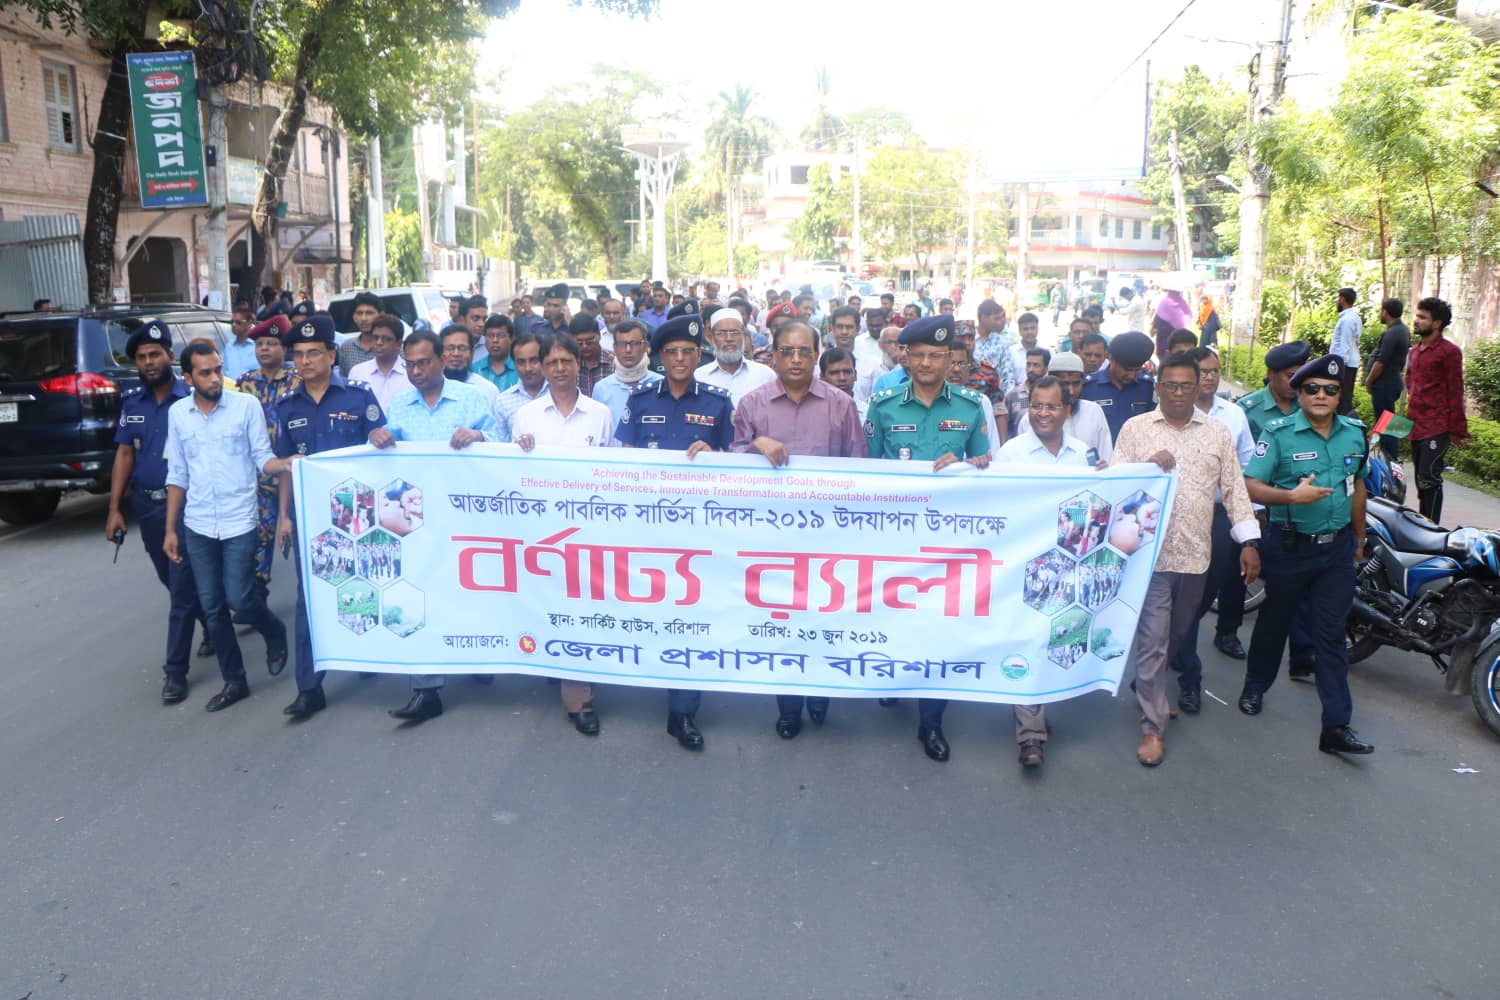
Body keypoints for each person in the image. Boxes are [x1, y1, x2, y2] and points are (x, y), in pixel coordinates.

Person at [1112, 352, 1260, 766]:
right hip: (1150, 558)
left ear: (1199, 389)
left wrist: (1249, 541)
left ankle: (1148, 688)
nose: (1177, 393)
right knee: (1154, 639)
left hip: (1196, 557)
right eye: (1170, 385)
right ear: (1158, 387)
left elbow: (1235, 490)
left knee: (1177, 636)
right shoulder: (1136, 429)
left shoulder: (1217, 432)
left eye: (1186, 386)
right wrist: (1147, 465)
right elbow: (1114, 485)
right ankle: (1153, 726)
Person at [865, 314, 991, 762]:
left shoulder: (971, 406)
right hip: (895, 537)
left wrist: (971, 464)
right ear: (904, 356)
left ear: (950, 358)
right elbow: (867, 471)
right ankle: (894, 677)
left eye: (935, 356)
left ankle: (931, 722)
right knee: (896, 617)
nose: (925, 364)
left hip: (948, 541)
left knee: (939, 627)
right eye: (916, 355)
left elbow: (986, 468)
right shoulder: (882, 405)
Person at [732, 319, 865, 739]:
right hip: (771, 541)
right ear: (772, 355)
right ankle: (788, 706)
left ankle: (821, 691)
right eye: (786, 351)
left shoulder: (840, 405)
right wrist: (755, 445)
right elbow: (730, 467)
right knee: (783, 625)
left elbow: (859, 469)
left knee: (824, 620)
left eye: (803, 352)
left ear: (815, 355)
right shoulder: (752, 405)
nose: (794, 359)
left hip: (827, 539)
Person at [610, 316, 735, 747]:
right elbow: (624, 459)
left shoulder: (719, 403)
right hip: (648, 530)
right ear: (659, 357)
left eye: (688, 352)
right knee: (651, 613)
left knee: (690, 617)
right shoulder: (641, 398)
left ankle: (682, 710)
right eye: (672, 352)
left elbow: (736, 461)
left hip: (699, 533)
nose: (680, 359)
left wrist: (714, 453)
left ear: (699, 356)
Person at [1240, 354, 1373, 757]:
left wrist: (1360, 536)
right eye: (1312, 388)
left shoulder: (1355, 434)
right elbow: (1250, 485)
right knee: (1275, 621)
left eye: (1330, 390)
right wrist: (1290, 497)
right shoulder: (1279, 434)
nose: (1321, 395)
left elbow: (1358, 487)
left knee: (1330, 635)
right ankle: (1255, 686)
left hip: (1337, 550)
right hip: (1290, 547)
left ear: (1339, 396)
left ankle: (1336, 725)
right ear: (1299, 393)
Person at [370, 330, 499, 722]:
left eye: (424, 362)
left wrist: (478, 435)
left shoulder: (471, 398)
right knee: (418, 594)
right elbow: (388, 447)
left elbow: (503, 445)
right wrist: (379, 436)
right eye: (410, 364)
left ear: (442, 360)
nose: (416, 371)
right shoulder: (400, 404)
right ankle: (426, 690)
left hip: (465, 516)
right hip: (416, 518)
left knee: (466, 590)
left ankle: (477, 654)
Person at [163, 341, 292, 712]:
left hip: (239, 520)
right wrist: (170, 529)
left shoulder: (245, 406)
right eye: (205, 372)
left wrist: (284, 464)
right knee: (213, 607)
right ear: (188, 377)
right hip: (198, 524)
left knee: (240, 599)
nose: (215, 378)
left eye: (218, 369)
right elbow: (178, 474)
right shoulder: (178, 414)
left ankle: (273, 629)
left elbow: (262, 457)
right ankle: (235, 681)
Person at [272, 315, 387, 719]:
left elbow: (383, 448)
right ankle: (309, 687)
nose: (304, 361)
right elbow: (286, 467)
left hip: (358, 516)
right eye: (298, 355)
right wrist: (284, 517)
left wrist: (380, 437)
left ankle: (366, 653)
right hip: (311, 519)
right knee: (310, 597)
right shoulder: (287, 407)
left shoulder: (358, 397)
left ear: (331, 356)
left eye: (313, 353)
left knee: (363, 585)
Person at [514, 331, 619, 737]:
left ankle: (581, 699)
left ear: (579, 365)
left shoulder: (599, 414)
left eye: (566, 361)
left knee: (582, 609)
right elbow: (510, 473)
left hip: (588, 528)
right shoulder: (526, 417)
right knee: (549, 604)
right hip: (541, 531)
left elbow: (612, 472)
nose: (559, 369)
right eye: (551, 362)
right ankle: (554, 661)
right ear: (541, 367)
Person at [105, 322, 210, 704]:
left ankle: (175, 671)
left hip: (184, 506)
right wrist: (114, 509)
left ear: (169, 355)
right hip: (147, 507)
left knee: (180, 589)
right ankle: (213, 623)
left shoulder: (192, 398)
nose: (149, 362)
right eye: (141, 357)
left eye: (155, 354)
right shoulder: (132, 402)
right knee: (170, 578)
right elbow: (124, 454)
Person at [993, 375, 1095, 767]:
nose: (1043, 413)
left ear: (1067, 411)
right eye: (1037, 405)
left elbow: (1098, 500)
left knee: (1058, 642)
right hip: (1025, 566)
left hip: (1071, 567)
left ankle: (1036, 705)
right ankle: (1031, 735)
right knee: (1029, 642)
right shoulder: (1011, 453)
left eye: (1052, 406)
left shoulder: (1083, 455)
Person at [1169, 348, 1257, 709]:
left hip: (1218, 517)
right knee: (1181, 596)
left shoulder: (1232, 417)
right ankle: (1189, 677)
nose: (1209, 377)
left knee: (1202, 596)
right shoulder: (1163, 417)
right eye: (1202, 372)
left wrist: (1250, 529)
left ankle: (1173, 646)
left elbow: (1245, 472)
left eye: (1214, 371)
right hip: (1175, 519)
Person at [1236, 340, 1319, 680]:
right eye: (1289, 375)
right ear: (1271, 374)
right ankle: (1229, 631)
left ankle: (1302, 655)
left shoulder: (1311, 406)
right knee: (1249, 580)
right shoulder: (1248, 410)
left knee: (1300, 591)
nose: (1296, 382)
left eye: (1301, 375)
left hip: (1300, 512)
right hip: (1260, 507)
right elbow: (1238, 465)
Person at [238, 315, 300, 607]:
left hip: (295, 474)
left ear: (284, 349)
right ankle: (256, 600)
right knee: (258, 539)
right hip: (259, 477)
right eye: (259, 343)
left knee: (300, 537)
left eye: (271, 343)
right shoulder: (245, 384)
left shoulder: (298, 381)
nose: (264, 348)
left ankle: (309, 597)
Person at [1404, 297, 1467, 523]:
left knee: (1428, 477)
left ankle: (1430, 530)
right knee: (1420, 481)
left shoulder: (1449, 352)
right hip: (1416, 425)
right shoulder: (1415, 351)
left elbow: (1455, 390)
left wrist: (1458, 429)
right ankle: (1423, 523)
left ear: (1437, 323)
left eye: (1423, 317)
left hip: (1437, 426)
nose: (1416, 320)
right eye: (1417, 316)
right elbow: (1409, 378)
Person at [1017, 353, 1113, 461]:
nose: (1071, 391)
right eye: (1065, 384)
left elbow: (1106, 456)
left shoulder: (1094, 412)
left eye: (1076, 384)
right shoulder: (1031, 420)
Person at [1082, 330, 1156, 442]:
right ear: (1111, 359)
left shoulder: (1147, 387)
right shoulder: (1088, 387)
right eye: (1127, 369)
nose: (1131, 375)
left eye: (1137, 370)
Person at [695, 307, 776, 404]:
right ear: (711, 338)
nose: (729, 338)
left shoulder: (765, 375)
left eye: (735, 332)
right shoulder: (699, 377)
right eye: (721, 333)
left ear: (743, 336)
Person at [1364, 298, 1410, 465]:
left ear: (1386, 312)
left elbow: (1381, 362)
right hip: (1391, 382)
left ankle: (1390, 459)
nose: (1380, 314)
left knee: (1385, 422)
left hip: (1385, 384)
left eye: (1381, 311)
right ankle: (1390, 456)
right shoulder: (1402, 330)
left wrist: (1369, 381)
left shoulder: (1392, 333)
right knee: (1388, 420)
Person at [591, 318, 661, 426]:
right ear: (614, 348)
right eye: (622, 344)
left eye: (634, 343)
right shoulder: (601, 389)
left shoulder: (661, 384)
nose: (628, 349)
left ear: (645, 346)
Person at [493, 331, 548, 442]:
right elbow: (499, 444)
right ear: (514, 364)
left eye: (534, 361)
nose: (528, 368)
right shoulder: (503, 401)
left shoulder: (559, 395)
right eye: (521, 362)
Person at [347, 313, 410, 411]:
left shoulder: (410, 373)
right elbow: (351, 408)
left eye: (386, 339)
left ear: (399, 344)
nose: (379, 343)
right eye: (375, 338)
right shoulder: (358, 372)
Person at [440, 325, 502, 419]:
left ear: (472, 353)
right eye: (450, 348)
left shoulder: (487, 390)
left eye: (462, 348)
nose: (456, 354)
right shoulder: (429, 388)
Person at [1329, 287, 1363, 415]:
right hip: (1348, 363)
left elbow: (1345, 344)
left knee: (1343, 400)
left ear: (1342, 299)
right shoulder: (1353, 317)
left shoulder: (1347, 320)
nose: (1337, 301)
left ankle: (1343, 423)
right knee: (1344, 397)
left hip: (1345, 365)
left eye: (1338, 298)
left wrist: (1339, 367)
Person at [971, 301, 1017, 391]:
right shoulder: (968, 339)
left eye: (1003, 317)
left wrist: (1008, 396)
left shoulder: (1001, 342)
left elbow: (1008, 374)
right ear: (983, 318)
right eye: (996, 318)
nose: (1002, 322)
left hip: (995, 395)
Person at [335, 291, 384, 375]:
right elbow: (344, 379)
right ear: (354, 317)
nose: (363, 318)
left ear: (381, 315)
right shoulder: (346, 348)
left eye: (369, 313)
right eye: (359, 313)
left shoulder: (392, 347)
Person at [1005, 347, 1049, 436]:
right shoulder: (1014, 395)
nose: (1031, 369)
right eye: (1028, 365)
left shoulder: (1051, 394)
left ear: (1046, 368)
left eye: (1036, 365)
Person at [472, 314, 519, 392]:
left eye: (500, 336)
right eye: (490, 336)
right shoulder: (474, 369)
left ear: (511, 338)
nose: (495, 340)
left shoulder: (520, 368)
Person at [570, 314, 614, 395]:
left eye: (589, 341)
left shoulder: (613, 362)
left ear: (599, 336)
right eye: (579, 343)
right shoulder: (570, 365)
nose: (585, 346)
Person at [223, 306, 258, 380]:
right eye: (232, 322)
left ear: (249, 323)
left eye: (238, 322)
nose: (234, 325)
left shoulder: (258, 346)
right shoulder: (229, 347)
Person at [1010, 312, 1040, 380]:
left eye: (1033, 328)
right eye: (1025, 329)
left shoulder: (1048, 351)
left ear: (1037, 329)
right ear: (1019, 331)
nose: (1029, 332)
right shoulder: (1011, 352)